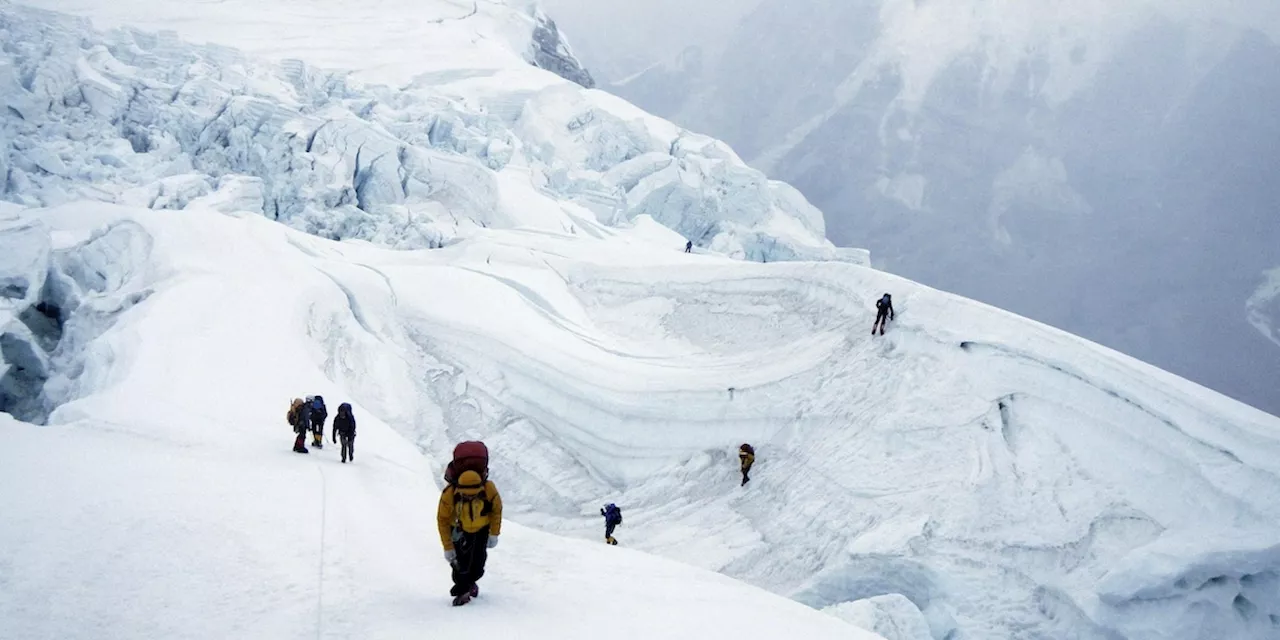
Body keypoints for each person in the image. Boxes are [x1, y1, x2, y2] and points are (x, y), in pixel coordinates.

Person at [437, 469, 503, 607]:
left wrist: (494, 533)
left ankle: (470, 582)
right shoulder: (449, 494)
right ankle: (463, 591)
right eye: (466, 496)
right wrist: (448, 547)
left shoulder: (488, 489)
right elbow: (442, 519)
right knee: (459, 564)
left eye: (473, 496)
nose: (470, 498)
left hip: (481, 529)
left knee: (478, 562)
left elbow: (496, 510)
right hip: (458, 529)